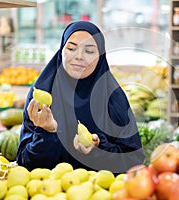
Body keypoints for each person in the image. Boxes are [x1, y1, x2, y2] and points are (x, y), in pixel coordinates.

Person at [16, 21, 145, 173]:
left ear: (101, 57)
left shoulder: (113, 98)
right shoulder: (42, 95)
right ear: (61, 50)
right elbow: (25, 162)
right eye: (71, 48)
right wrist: (46, 132)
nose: (79, 57)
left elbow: (133, 161)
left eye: (89, 51)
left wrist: (98, 150)